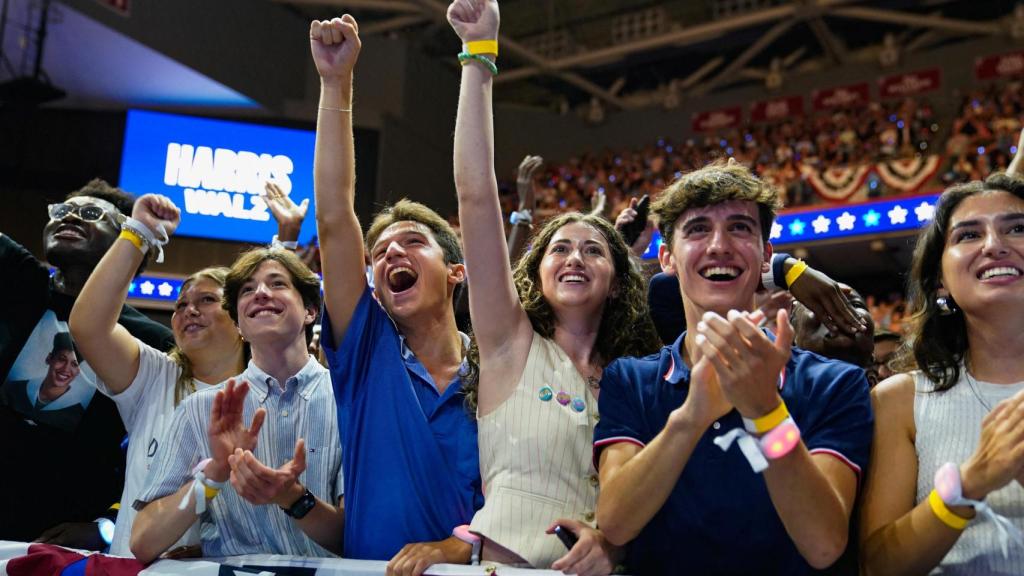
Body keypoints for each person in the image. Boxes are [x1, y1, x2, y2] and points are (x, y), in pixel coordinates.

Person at [448, 1, 659, 573]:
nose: (574, 257)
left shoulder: (637, 379)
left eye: (594, 250)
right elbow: (474, 195)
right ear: (536, 276)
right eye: (559, 248)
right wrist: (479, 55)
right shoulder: (507, 343)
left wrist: (614, 547)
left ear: (618, 283)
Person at [594, 161, 873, 575]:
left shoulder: (834, 384)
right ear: (668, 258)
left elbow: (824, 545)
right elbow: (615, 525)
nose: (719, 245)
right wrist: (691, 416)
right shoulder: (629, 379)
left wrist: (766, 412)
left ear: (766, 256)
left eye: (740, 228)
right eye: (697, 229)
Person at [309, 14, 483, 573]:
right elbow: (336, 218)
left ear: (456, 272)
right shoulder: (365, 353)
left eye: (412, 242)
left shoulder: (500, 370)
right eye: (380, 250)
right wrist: (336, 84)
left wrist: (461, 548)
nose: (390, 255)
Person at [129, 248, 343, 563]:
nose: (261, 294)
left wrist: (293, 499)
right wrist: (214, 473)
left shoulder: (349, 400)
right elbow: (144, 542)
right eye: (247, 290)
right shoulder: (200, 409)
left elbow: (355, 537)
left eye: (277, 284)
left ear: (311, 310)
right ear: (240, 324)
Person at [860, 172, 1024, 575]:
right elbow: (876, 568)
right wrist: (967, 485)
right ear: (940, 283)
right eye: (968, 235)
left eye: (1018, 228)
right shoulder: (900, 400)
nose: (995, 246)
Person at [69, 194, 247, 557]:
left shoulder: (271, 393)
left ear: (242, 319)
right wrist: (139, 234)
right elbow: (88, 325)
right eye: (181, 305)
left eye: (207, 300)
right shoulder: (155, 376)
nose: (188, 311)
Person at [0, 179, 174, 549]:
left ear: (126, 240)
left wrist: (109, 524)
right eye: (62, 211)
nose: (72, 217)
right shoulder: (17, 280)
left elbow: (169, 450)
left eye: (92, 214)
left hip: (60, 537)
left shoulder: (151, 341)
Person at [792, 284, 878, 385]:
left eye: (855, 305)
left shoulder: (895, 395)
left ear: (872, 355)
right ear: (793, 337)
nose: (839, 310)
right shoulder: (773, 393)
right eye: (820, 304)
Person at [0, 331, 85, 431]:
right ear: (49, 358)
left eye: (74, 364)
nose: (66, 369)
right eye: (62, 359)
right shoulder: (12, 389)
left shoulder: (76, 417)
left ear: (78, 372)